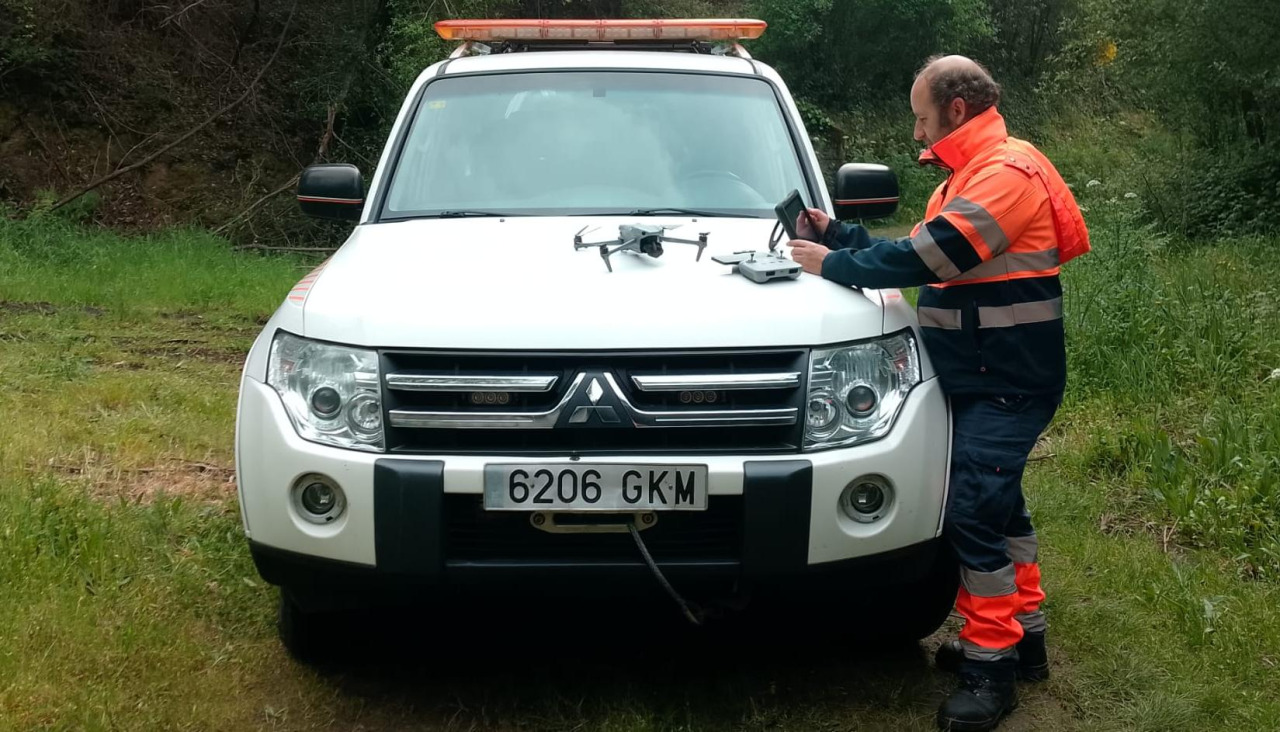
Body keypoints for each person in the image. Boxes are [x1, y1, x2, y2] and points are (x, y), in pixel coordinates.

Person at [788, 55, 1089, 731]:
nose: (918, 134)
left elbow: (931, 259)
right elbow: (924, 249)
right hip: (988, 376)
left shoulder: (1005, 174)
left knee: (974, 514)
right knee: (1003, 508)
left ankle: (991, 669)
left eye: (922, 117)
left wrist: (832, 262)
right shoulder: (975, 173)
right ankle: (1027, 638)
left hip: (1007, 380)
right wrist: (838, 232)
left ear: (955, 109)